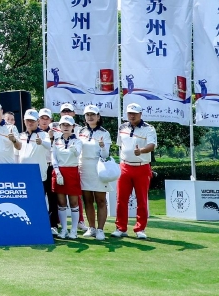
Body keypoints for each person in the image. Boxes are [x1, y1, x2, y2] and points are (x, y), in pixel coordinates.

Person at [113, 102, 157, 240]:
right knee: (121, 199)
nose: (132, 116)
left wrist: (141, 151)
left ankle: (140, 229)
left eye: (135, 114)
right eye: (130, 113)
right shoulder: (122, 127)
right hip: (124, 166)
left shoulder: (149, 128)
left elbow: (152, 145)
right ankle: (121, 228)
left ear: (140, 114)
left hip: (142, 167)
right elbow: (121, 146)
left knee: (142, 200)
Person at [78, 104, 111, 240]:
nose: (90, 117)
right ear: (85, 117)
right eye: (88, 115)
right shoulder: (80, 132)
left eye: (93, 114)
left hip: (98, 167)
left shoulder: (104, 133)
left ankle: (100, 229)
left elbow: (106, 154)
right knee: (87, 200)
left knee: (101, 200)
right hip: (84, 167)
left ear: (98, 117)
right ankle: (91, 228)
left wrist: (102, 146)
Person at [17, 109, 51, 226]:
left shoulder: (44, 134)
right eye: (28, 120)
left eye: (32, 121)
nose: (30, 123)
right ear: (24, 121)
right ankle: (27, 224)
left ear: (37, 121)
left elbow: (49, 146)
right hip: (23, 173)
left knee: (40, 199)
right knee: (25, 199)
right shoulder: (21, 135)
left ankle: (42, 224)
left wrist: (41, 142)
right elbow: (17, 154)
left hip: (38, 173)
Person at [52, 115, 83, 239]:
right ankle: (64, 229)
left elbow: (77, 153)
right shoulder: (56, 141)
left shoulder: (77, 141)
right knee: (61, 202)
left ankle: (73, 230)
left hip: (72, 171)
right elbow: (54, 157)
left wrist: (74, 149)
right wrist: (57, 172)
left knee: (74, 202)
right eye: (63, 125)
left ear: (73, 127)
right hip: (59, 171)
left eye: (68, 125)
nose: (65, 127)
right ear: (60, 126)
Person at [38, 107, 60, 233]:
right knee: (39, 196)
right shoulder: (33, 132)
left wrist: (51, 138)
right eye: (42, 118)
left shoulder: (56, 133)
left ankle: (53, 225)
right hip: (38, 166)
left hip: (51, 166)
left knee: (52, 196)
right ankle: (40, 222)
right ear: (38, 119)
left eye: (47, 118)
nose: (45, 121)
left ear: (50, 120)